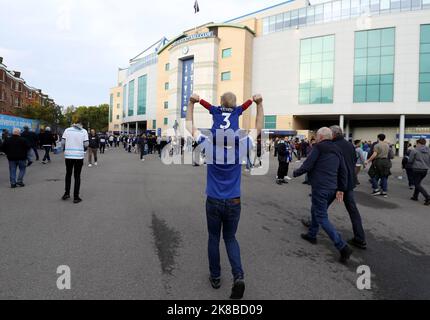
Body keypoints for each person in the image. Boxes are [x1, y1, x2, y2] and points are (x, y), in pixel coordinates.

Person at [187, 92, 264, 300]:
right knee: (230, 238)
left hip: (213, 199)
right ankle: (238, 276)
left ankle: (215, 276)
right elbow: (258, 128)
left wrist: (191, 104)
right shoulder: (241, 145)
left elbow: (189, 127)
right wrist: (259, 104)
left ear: (220, 106)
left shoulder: (209, 144)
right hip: (234, 200)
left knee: (213, 238)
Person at [293, 127, 353, 264]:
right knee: (317, 210)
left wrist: (296, 172)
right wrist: (341, 188)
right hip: (332, 188)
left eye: (317, 136)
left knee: (321, 216)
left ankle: (342, 246)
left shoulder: (319, 147)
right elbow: (343, 170)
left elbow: (308, 164)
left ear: (320, 137)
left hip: (321, 187)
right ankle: (312, 234)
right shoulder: (337, 149)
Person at [61, 123, 89, 204]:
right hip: (79, 157)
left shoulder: (67, 130)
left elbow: (62, 142)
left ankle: (66, 193)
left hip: (68, 156)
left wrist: (66, 147)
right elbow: (86, 144)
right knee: (77, 176)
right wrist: (81, 146)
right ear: (81, 125)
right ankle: (76, 197)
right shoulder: (84, 131)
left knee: (68, 174)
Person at [408, 138, 430, 206]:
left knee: (416, 184)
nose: (416, 144)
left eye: (416, 143)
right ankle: (415, 196)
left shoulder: (415, 150)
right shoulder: (429, 150)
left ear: (419, 143)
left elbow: (410, 160)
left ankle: (427, 197)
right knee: (418, 183)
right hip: (425, 169)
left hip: (416, 169)